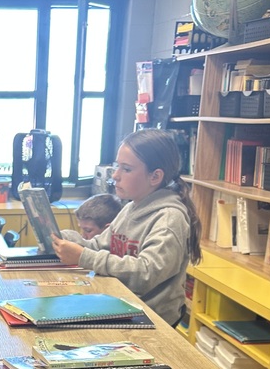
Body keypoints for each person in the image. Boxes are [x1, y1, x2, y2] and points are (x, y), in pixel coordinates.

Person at [51, 129, 201, 326]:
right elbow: (98, 246)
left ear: (155, 177)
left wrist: (83, 257)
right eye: (116, 166)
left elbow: (145, 274)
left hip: (150, 320)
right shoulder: (131, 207)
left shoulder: (169, 219)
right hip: (120, 304)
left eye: (126, 169)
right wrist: (62, 238)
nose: (115, 175)